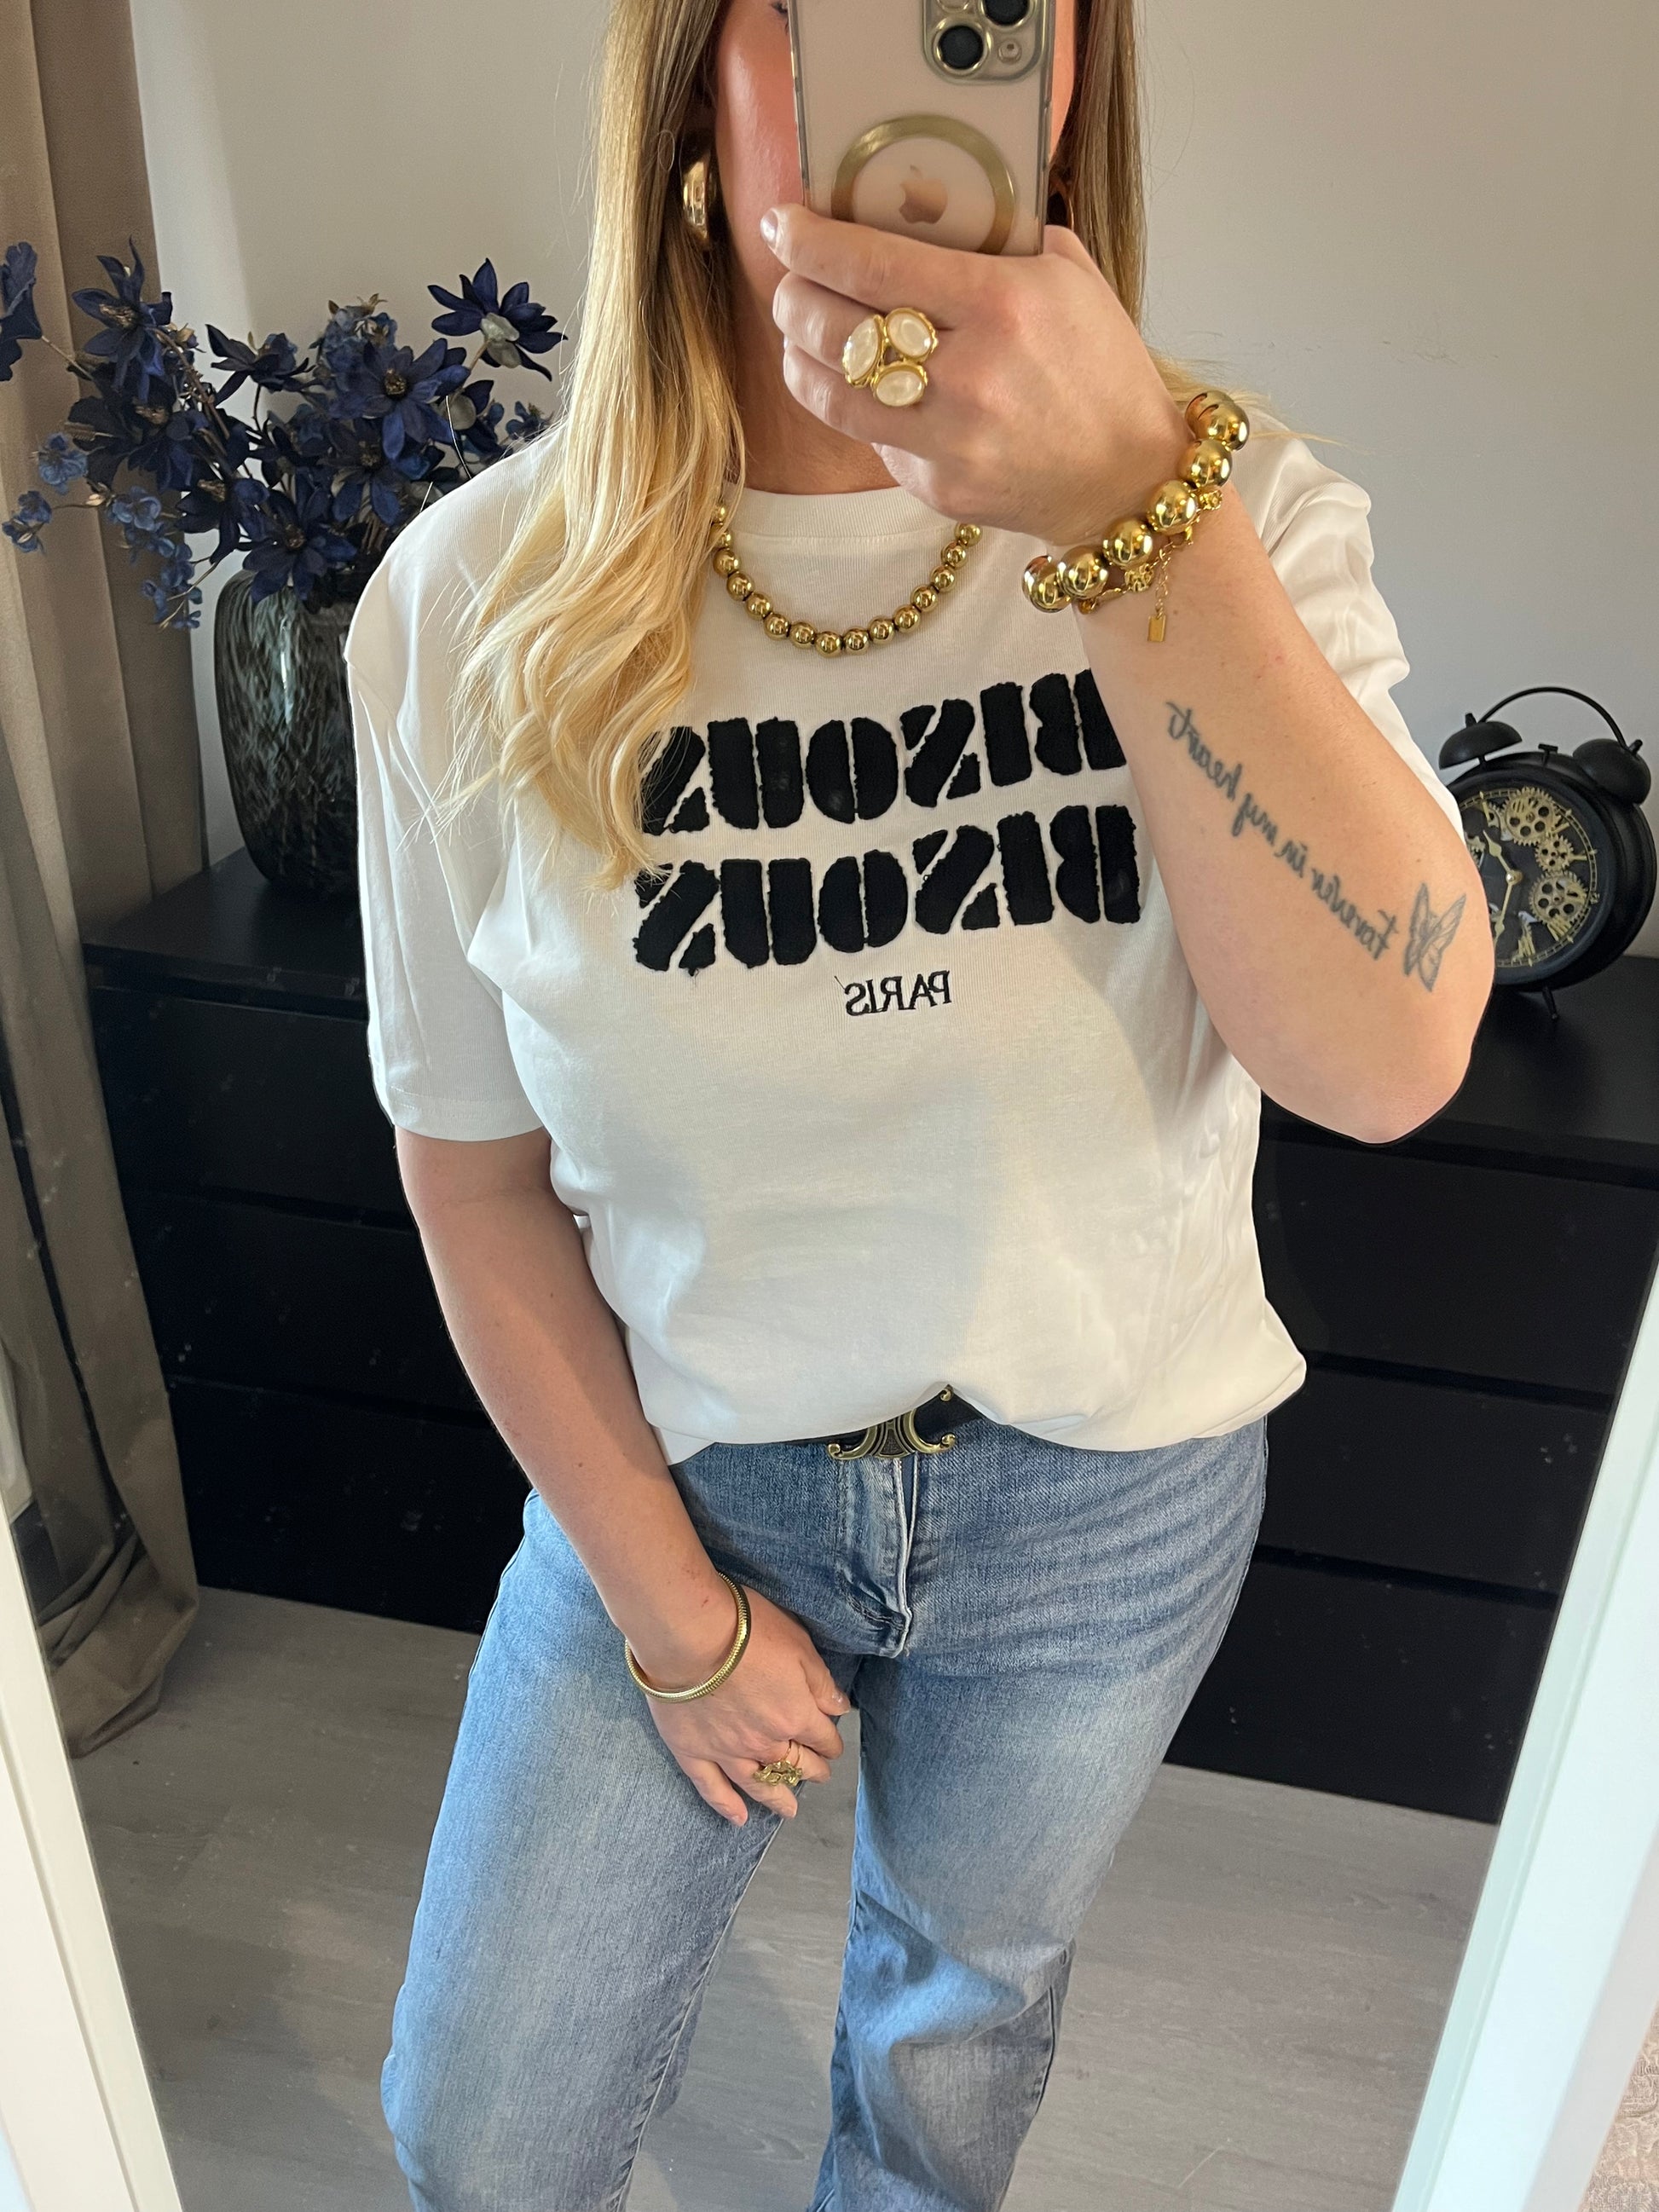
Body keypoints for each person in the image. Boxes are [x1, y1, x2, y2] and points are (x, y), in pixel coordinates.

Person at [344, 0, 1493, 2203]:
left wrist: (1134, 517)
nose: (919, 57)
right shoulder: (467, 605)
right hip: (684, 1467)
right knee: (480, 2123)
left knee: (948, 2042)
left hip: (1103, 1499)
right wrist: (674, 1621)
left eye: (986, 8)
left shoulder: (1233, 510)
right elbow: (471, 1181)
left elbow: (1384, 1058)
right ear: (690, 78)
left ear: (1071, 75)